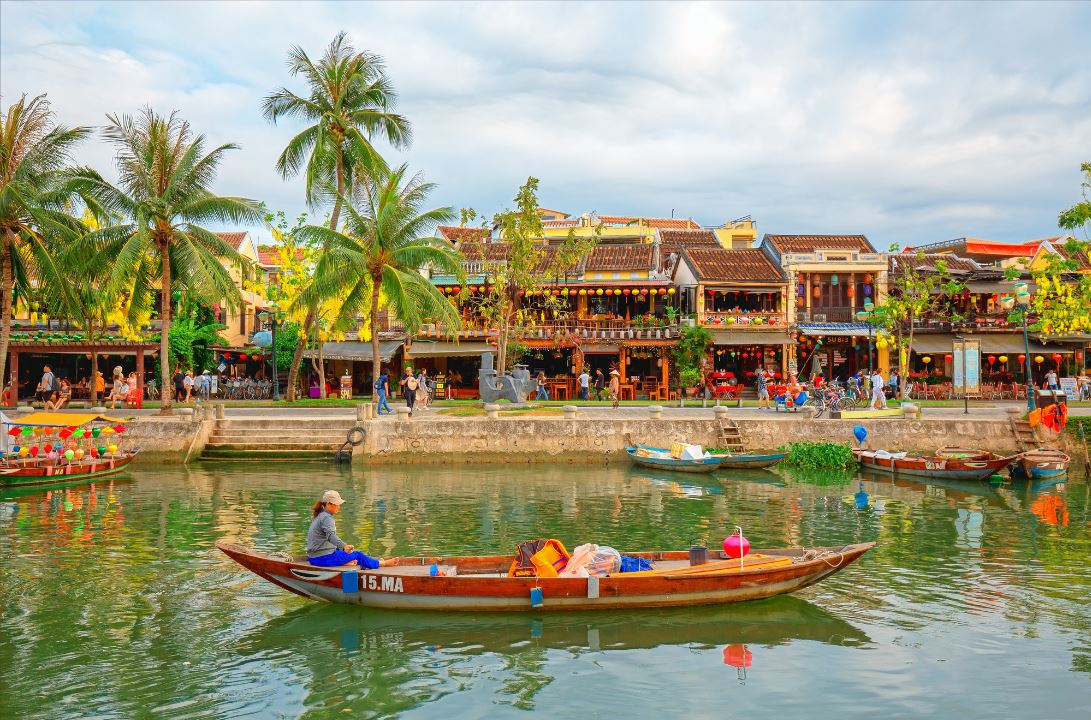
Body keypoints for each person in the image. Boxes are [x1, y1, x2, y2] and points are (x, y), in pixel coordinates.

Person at [307, 490, 398, 568]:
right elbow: (331, 536)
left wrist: (342, 548)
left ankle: (346, 563)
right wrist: (344, 546)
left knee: (347, 552)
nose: (339, 507)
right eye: (337, 504)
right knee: (358, 555)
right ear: (328, 504)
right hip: (322, 559)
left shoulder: (320, 515)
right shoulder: (326, 518)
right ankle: (382, 563)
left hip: (314, 557)